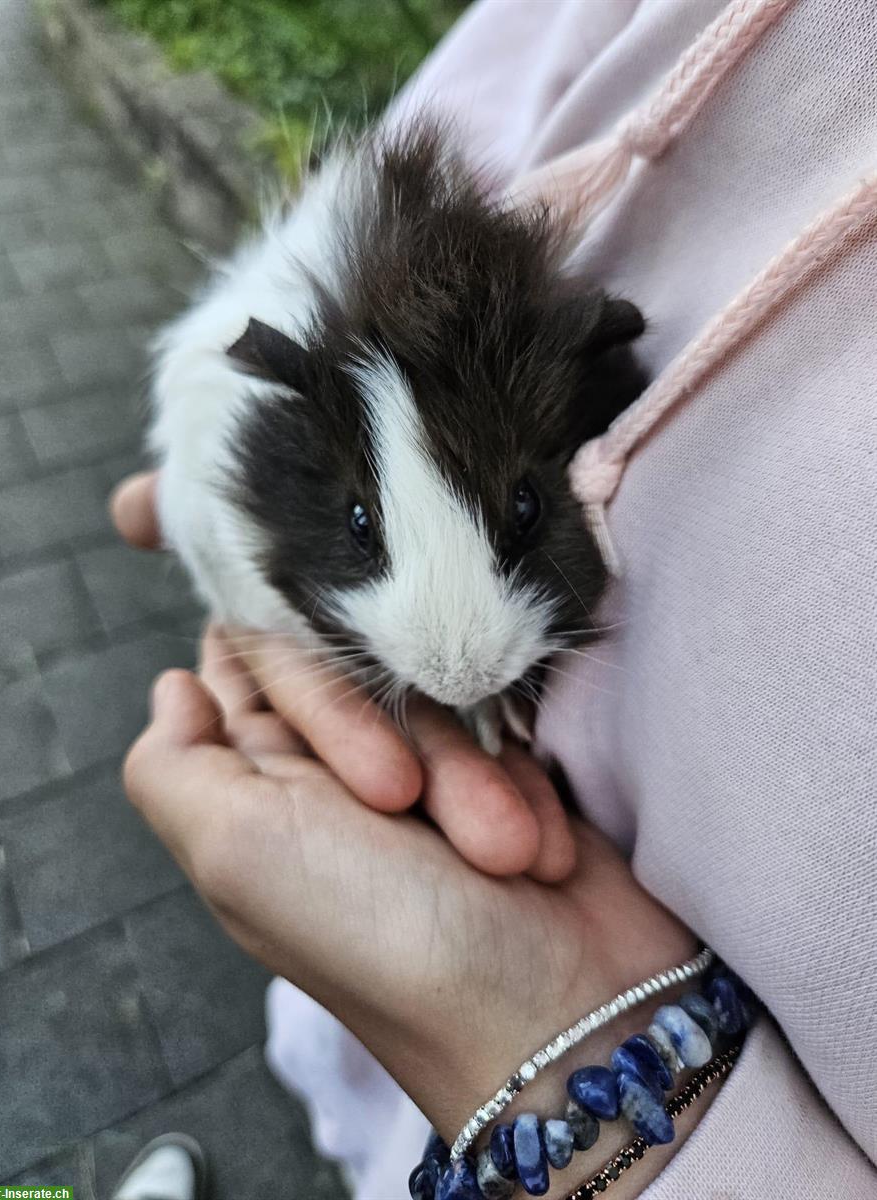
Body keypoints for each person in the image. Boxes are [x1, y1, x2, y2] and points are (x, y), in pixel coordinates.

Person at [113, 0, 876, 1196]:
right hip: (355, 1035)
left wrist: (575, 1080)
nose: (459, 656)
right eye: (365, 527)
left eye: (524, 510)